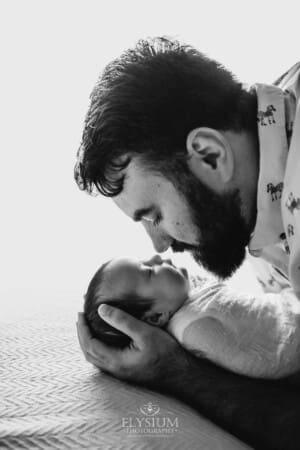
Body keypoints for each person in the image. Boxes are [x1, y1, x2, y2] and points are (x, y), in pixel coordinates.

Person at [74, 37, 300, 449]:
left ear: (210, 155)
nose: (159, 245)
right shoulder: (249, 207)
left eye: (153, 214)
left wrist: (176, 373)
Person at [85, 255, 300, 379]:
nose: (157, 257)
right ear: (155, 318)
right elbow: (260, 364)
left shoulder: (187, 300)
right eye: (149, 271)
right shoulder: (193, 329)